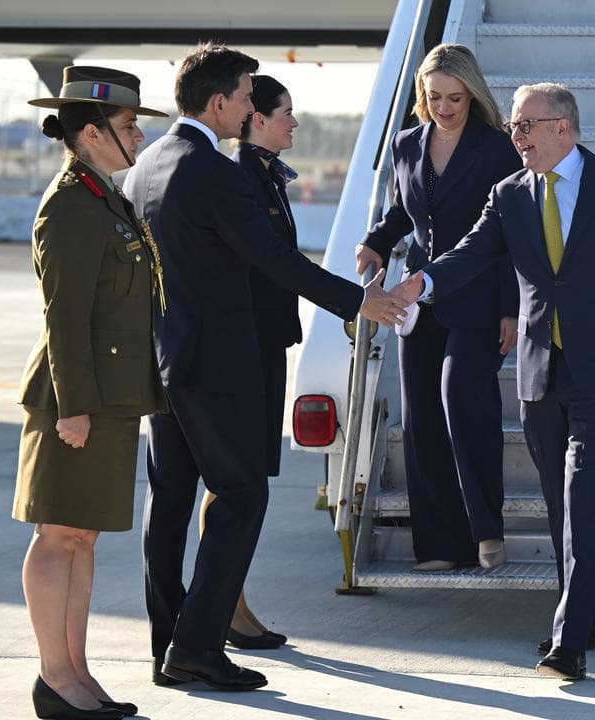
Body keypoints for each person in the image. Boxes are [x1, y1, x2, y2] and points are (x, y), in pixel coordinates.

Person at [122, 44, 407, 692]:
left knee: (169, 504)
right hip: (217, 364)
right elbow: (276, 261)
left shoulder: (146, 168)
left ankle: (168, 643)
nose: (251, 108)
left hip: (164, 362)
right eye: (248, 97)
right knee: (242, 494)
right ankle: (196, 646)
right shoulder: (213, 173)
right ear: (219, 102)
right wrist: (361, 300)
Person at [394, 83, 595, 681]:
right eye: (514, 129)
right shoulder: (508, 195)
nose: (517, 137)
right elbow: (469, 255)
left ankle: (568, 639)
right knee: (559, 502)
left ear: (564, 128)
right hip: (539, 369)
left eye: (527, 126)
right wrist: (419, 284)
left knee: (586, 492)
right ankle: (587, 614)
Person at [15, 65, 168, 719]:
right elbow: (64, 316)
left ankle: (76, 673)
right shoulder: (71, 207)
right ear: (92, 132)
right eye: (129, 125)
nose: (137, 135)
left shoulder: (106, 198)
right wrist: (73, 404)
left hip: (109, 397)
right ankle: (55, 677)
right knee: (58, 536)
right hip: (74, 401)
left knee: (82, 537)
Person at [354, 44, 521, 572]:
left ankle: (485, 531)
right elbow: (406, 209)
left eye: (455, 97)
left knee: (462, 403)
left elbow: (513, 236)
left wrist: (511, 309)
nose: (445, 107)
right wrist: (376, 240)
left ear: (471, 93)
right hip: (418, 303)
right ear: (422, 96)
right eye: (435, 97)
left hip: (480, 296)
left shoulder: (497, 148)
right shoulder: (407, 143)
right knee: (422, 420)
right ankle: (441, 545)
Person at [186, 75, 301, 653]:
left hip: (264, 342)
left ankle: (233, 600)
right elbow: (271, 261)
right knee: (237, 482)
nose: (293, 123)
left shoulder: (261, 175)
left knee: (248, 480)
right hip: (246, 345)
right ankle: (225, 606)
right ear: (256, 118)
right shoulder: (240, 178)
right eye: (285, 112)